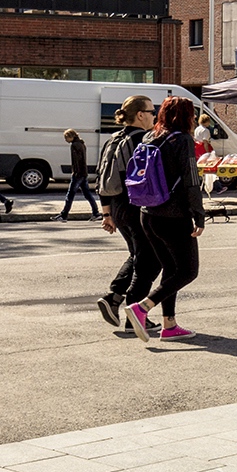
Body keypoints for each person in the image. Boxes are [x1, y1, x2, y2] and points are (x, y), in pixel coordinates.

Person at [127, 95, 207, 343]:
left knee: (171, 269)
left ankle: (169, 325)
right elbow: (192, 180)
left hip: (148, 213)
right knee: (188, 271)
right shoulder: (182, 140)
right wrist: (199, 215)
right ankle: (142, 308)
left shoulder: (150, 136)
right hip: (174, 215)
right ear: (186, 117)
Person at [98, 96, 157, 328]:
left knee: (138, 254)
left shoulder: (113, 139)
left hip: (117, 207)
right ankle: (134, 314)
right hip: (138, 206)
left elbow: (102, 177)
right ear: (140, 115)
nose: (155, 115)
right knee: (150, 260)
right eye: (152, 111)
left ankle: (114, 298)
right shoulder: (145, 139)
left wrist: (106, 214)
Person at [60, 129, 100, 221]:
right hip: (83, 173)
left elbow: (77, 161)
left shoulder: (74, 145)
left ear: (71, 136)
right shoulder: (82, 144)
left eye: (66, 137)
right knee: (87, 194)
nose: (65, 140)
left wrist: (76, 173)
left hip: (78, 174)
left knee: (70, 195)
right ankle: (96, 213)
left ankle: (63, 215)